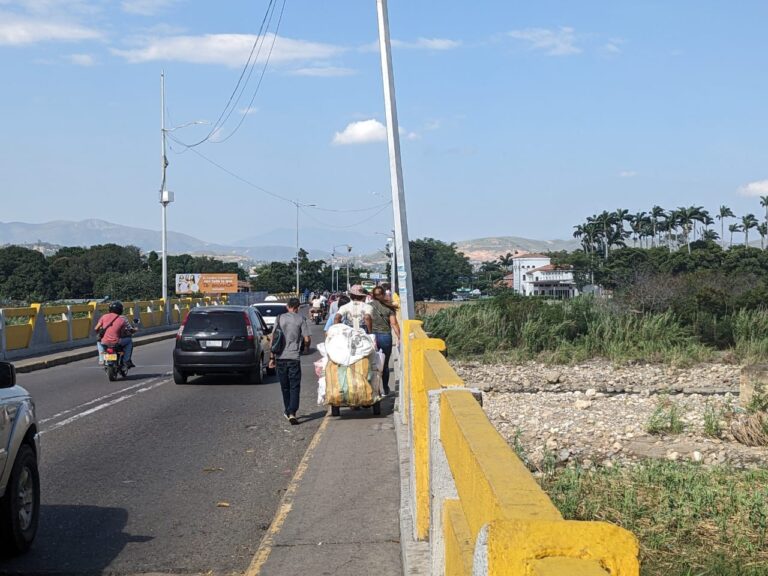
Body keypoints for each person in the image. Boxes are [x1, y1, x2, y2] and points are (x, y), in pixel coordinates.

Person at [269, 297, 310, 425]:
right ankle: (292, 411)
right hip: (293, 357)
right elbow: (307, 339)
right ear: (298, 307)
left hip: (280, 357)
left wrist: (271, 358)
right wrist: (305, 349)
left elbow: (273, 338)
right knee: (295, 386)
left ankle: (288, 410)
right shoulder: (300, 319)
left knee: (284, 386)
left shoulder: (279, 318)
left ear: (287, 307)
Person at [370, 285, 400, 396]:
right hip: (385, 337)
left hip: (372, 337)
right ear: (383, 294)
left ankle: (375, 389)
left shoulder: (369, 306)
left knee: (372, 364)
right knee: (385, 364)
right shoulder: (389, 307)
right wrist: (400, 337)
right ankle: (386, 388)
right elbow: (394, 324)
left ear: (373, 295)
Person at [94, 301, 137, 368]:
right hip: (116, 342)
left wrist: (100, 334)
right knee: (129, 341)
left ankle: (101, 359)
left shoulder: (104, 316)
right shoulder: (122, 320)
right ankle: (126, 360)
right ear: (120, 310)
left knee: (99, 342)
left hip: (104, 342)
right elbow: (122, 333)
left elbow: (96, 328)